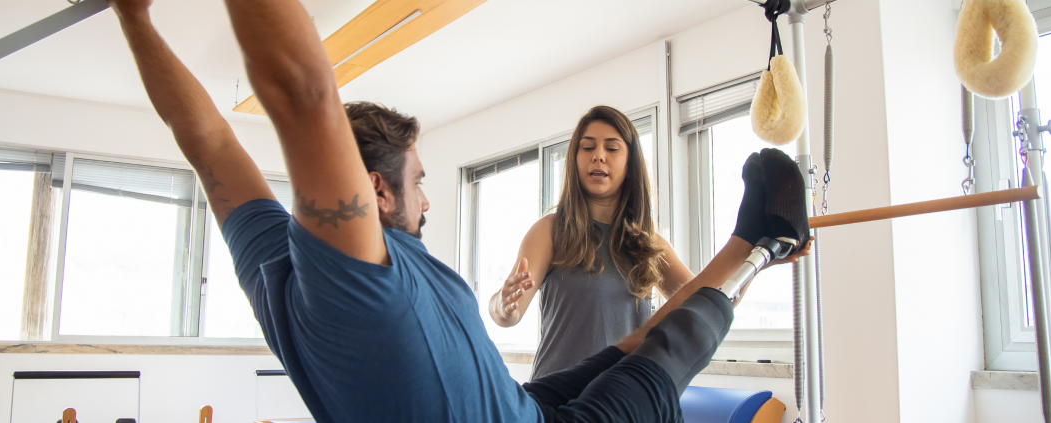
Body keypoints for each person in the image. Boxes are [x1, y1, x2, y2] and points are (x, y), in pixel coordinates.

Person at [108, 0, 810, 421]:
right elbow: (300, 90)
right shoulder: (352, 275)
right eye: (418, 180)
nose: (429, 197)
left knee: (623, 348)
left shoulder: (274, 260)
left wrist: (133, 14)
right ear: (376, 194)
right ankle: (762, 243)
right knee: (662, 355)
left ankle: (758, 240)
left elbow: (206, 143)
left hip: (522, 403)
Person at [489, 106, 800, 380]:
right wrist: (502, 305)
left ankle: (752, 240)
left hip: (625, 396)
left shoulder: (650, 245)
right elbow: (507, 314)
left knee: (700, 305)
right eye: (588, 147)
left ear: (630, 163)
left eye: (612, 148)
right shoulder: (551, 231)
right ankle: (747, 234)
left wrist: (760, 261)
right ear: (575, 159)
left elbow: (711, 301)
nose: (598, 155)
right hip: (562, 400)